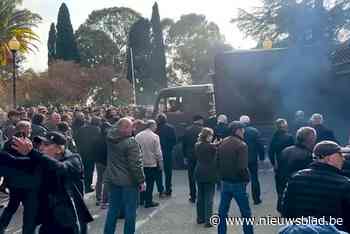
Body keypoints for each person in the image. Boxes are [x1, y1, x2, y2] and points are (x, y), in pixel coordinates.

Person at [9, 131, 93, 234]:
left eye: (46, 144)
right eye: (40, 144)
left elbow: (60, 168)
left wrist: (32, 153)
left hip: (70, 220)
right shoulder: (42, 162)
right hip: (48, 220)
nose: (41, 147)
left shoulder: (73, 159)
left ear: (58, 149)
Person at [281, 141, 350, 232]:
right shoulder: (345, 184)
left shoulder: (295, 178)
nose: (343, 159)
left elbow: (286, 211)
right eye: (340, 155)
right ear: (331, 158)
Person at [103, 118, 146, 234]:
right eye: (131, 127)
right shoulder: (131, 143)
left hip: (113, 179)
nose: (134, 129)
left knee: (113, 210)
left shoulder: (110, 138)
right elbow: (135, 165)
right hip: (129, 182)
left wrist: (126, 123)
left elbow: (113, 127)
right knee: (130, 212)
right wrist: (141, 181)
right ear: (126, 129)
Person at [0, 121, 40, 234]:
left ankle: (1, 227)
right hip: (25, 181)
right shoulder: (23, 142)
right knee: (28, 210)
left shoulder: (8, 142)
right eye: (29, 128)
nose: (31, 131)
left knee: (12, 206)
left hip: (14, 181)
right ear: (23, 129)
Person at [217, 121, 254, 234]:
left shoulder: (222, 142)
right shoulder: (242, 145)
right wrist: (247, 179)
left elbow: (217, 162)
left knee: (222, 212)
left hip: (225, 182)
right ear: (237, 130)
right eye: (243, 129)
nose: (244, 132)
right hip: (238, 183)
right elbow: (242, 167)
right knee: (245, 213)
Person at [277, 127, 316, 212]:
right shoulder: (308, 155)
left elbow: (278, 173)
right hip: (299, 199)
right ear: (310, 140)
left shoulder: (285, 151)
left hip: (284, 193)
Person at [136, 120, 163, 208]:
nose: (156, 128)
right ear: (152, 126)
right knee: (150, 183)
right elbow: (158, 152)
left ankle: (141, 199)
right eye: (155, 126)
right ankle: (148, 201)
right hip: (151, 163)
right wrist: (160, 163)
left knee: (142, 181)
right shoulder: (155, 136)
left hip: (141, 163)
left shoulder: (138, 136)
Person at [268, 118, 294, 211]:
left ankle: (280, 205)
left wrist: (273, 163)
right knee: (289, 185)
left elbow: (270, 152)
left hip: (278, 164)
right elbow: (293, 150)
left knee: (279, 186)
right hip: (288, 163)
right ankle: (287, 205)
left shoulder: (274, 137)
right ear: (284, 126)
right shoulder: (289, 137)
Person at [194, 127, 217, 228]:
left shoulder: (197, 145)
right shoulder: (212, 147)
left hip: (199, 171)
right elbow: (215, 155)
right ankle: (208, 220)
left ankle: (200, 218)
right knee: (209, 197)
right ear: (208, 136)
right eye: (211, 135)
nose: (212, 137)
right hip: (210, 173)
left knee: (200, 196)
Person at [240, 115, 265, 205]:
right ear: (249, 121)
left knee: (242, 179)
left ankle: (242, 198)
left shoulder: (238, 131)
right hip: (252, 158)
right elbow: (260, 145)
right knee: (254, 178)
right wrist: (262, 157)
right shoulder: (254, 131)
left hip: (241, 159)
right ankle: (256, 199)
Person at [75, 118, 102, 193]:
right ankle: (88, 186)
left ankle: (82, 185)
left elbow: (76, 139)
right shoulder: (97, 129)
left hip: (82, 151)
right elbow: (98, 142)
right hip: (91, 153)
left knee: (83, 169)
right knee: (89, 170)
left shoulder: (82, 128)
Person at [183, 115, 204, 203]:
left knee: (191, 176)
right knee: (202, 175)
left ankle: (193, 196)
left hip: (190, 155)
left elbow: (184, 144)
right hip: (202, 155)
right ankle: (201, 195)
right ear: (200, 120)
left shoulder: (187, 130)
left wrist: (184, 156)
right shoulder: (204, 130)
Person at [156, 113, 177, 197]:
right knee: (168, 172)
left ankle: (160, 189)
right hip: (167, 152)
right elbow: (174, 140)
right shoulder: (171, 128)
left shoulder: (155, 128)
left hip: (157, 152)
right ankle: (168, 189)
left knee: (158, 172)